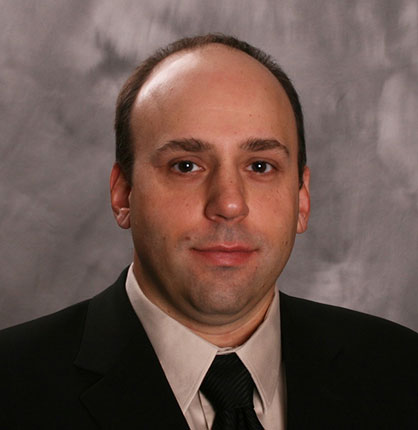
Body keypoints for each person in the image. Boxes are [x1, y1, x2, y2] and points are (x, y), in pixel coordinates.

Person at [0, 34, 417, 430]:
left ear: (302, 200)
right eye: (186, 166)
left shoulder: (401, 371)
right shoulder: (13, 388)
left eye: (260, 166)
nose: (229, 204)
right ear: (124, 194)